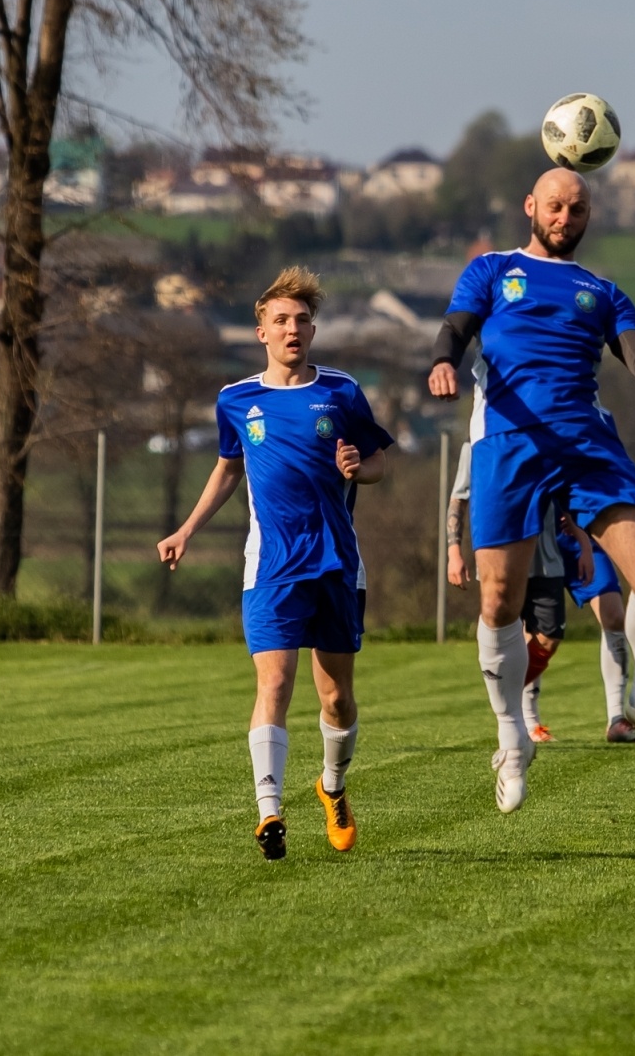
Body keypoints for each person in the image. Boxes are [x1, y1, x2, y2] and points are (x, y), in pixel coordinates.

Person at [428, 167, 635, 814]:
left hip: (585, 442)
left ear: (588, 216)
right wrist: (441, 363)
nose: (564, 218)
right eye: (554, 206)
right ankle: (512, 738)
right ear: (531, 206)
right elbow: (456, 328)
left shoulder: (603, 292)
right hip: (508, 443)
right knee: (499, 601)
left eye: (576, 209)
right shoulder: (492, 270)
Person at [158, 267, 393, 861]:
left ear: (313, 330)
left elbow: (377, 463)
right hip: (271, 565)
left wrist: (357, 469)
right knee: (275, 683)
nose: (293, 329)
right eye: (281, 320)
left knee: (337, 699)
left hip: (337, 562)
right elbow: (228, 468)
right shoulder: (237, 400)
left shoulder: (341, 392)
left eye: (302, 321)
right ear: (261, 331)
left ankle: (332, 786)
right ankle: (269, 811)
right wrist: (186, 529)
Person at [445, 442, 598, 743]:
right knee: (508, 634)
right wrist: (453, 552)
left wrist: (585, 544)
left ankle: (504, 694)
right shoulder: (476, 444)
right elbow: (458, 500)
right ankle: (524, 720)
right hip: (499, 562)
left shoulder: (546, 437)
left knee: (549, 636)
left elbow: (568, 498)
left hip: (547, 560)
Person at [555, 529, 635, 743]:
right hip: (538, 537)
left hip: (583, 540)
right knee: (540, 632)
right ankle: (528, 721)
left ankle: (616, 719)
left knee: (615, 619)